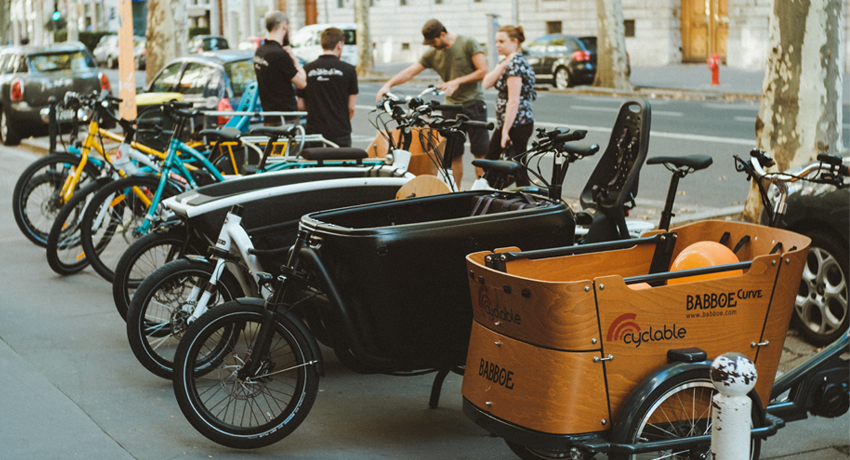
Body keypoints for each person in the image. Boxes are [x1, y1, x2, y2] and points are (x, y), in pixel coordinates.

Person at [376, 19, 488, 188]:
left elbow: (483, 70)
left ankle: (483, 191)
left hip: (474, 104)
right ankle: (455, 192)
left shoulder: (467, 43)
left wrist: (457, 81)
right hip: (450, 108)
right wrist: (388, 85)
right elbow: (410, 72)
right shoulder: (433, 53)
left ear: (442, 34)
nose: (432, 46)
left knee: (480, 153)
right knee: (453, 154)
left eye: (433, 41)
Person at [482, 25, 536, 163]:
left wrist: (505, 131)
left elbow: (513, 101)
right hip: (509, 123)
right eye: (496, 41)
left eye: (501, 41)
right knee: (512, 167)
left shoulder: (516, 64)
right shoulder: (507, 62)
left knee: (495, 163)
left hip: (516, 124)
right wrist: (504, 63)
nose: (497, 45)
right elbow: (486, 83)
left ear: (514, 42)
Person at [296, 27, 358, 147]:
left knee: (317, 164)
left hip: (314, 131)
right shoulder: (349, 70)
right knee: (340, 164)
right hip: (340, 131)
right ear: (339, 44)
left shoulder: (307, 69)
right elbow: (351, 107)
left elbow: (301, 105)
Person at [254, 11, 306, 126]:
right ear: (284, 25)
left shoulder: (260, 51)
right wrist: (294, 59)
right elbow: (302, 82)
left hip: (269, 116)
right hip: (285, 118)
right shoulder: (280, 54)